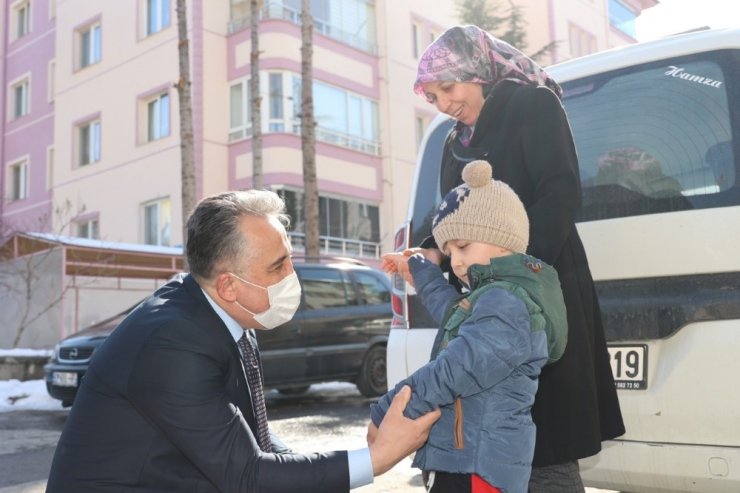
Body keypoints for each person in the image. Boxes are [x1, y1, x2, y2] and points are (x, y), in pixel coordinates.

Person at [46, 189, 440, 492]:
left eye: (288, 257)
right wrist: (377, 457)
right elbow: (249, 474)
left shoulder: (226, 313)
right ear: (229, 285)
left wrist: (337, 464)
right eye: (278, 266)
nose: (292, 274)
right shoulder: (173, 343)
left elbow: (258, 440)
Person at [411, 25, 625, 491]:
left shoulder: (533, 105)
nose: (443, 104)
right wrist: (430, 246)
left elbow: (560, 193)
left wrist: (513, 275)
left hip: (542, 279)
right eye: (432, 98)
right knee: (491, 419)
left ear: (476, 71)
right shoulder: (453, 143)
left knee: (546, 435)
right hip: (486, 297)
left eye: (447, 88)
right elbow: (456, 211)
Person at [370, 160, 568, 493]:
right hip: (467, 460)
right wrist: (422, 269)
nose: (456, 261)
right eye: (449, 252)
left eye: (463, 247)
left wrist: (391, 408)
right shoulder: (493, 298)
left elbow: (456, 368)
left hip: (479, 469)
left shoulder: (509, 305)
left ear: (502, 240)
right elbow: (451, 310)